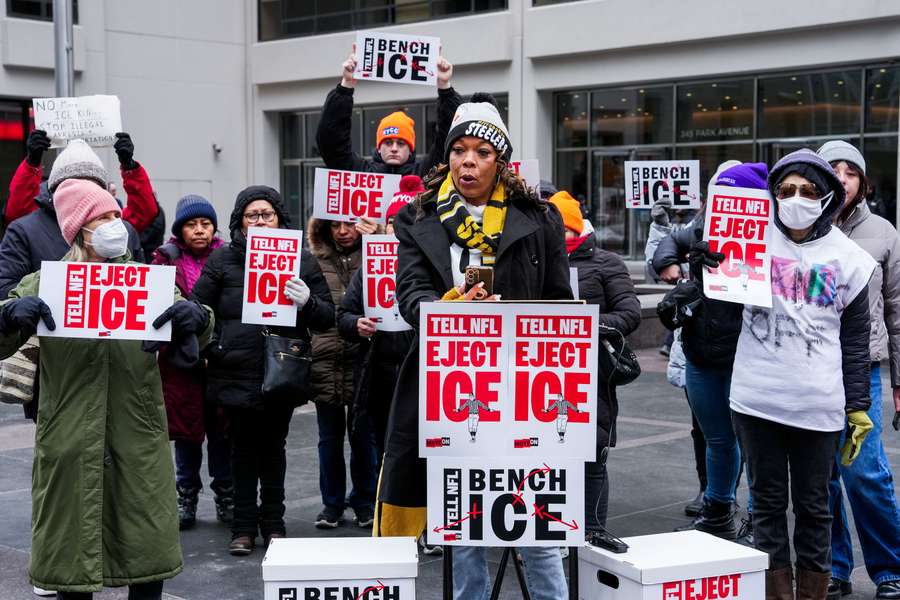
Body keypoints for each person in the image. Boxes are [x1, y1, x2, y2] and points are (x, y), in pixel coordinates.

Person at [381, 93, 573, 600]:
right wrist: (451, 308)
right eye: (459, 150)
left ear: (500, 161)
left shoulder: (541, 218)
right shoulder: (417, 218)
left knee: (535, 519)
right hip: (454, 390)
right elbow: (410, 297)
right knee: (463, 520)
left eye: (482, 152)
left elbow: (559, 301)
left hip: (524, 388)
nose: (468, 161)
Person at [0, 178, 214, 600]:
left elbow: (198, 323)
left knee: (146, 553)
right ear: (79, 228)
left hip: (137, 436)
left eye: (117, 213)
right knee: (71, 559)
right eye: (103, 216)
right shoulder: (46, 283)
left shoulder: (147, 282)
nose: (116, 223)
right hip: (69, 437)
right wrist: (8, 316)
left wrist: (197, 318)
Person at [728, 149, 875, 600]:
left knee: (815, 509)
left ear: (827, 197)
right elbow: (719, 302)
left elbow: (855, 342)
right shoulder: (749, 240)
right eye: (786, 189)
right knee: (767, 506)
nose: (796, 198)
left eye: (808, 190)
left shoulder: (850, 259)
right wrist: (706, 264)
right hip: (756, 401)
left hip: (817, 406)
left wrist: (858, 407)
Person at [192, 186, 334, 555]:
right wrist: (214, 347)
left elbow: (326, 317)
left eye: (266, 214)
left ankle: (274, 523)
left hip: (281, 367)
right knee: (241, 448)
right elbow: (198, 310)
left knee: (273, 448)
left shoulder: (301, 260)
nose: (259, 221)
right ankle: (242, 527)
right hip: (234, 368)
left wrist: (308, 301)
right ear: (239, 221)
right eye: (252, 215)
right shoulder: (223, 260)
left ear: (279, 219)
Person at [653, 162, 768, 543]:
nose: (725, 202)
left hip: (747, 356)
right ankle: (717, 513)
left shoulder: (775, 239)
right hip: (702, 354)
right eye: (720, 193)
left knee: (754, 445)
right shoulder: (702, 228)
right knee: (716, 438)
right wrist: (682, 269)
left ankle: (759, 520)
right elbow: (671, 242)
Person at [817, 140, 900, 600]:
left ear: (863, 181)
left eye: (851, 172)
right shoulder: (800, 227)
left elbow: (897, 311)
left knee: (865, 473)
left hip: (861, 370)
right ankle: (835, 568)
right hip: (811, 367)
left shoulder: (883, 232)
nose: (843, 179)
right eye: (834, 170)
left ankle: (889, 568)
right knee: (821, 476)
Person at [549, 189, 641, 532]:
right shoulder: (536, 261)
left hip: (590, 373)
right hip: (544, 373)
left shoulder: (606, 262)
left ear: (577, 228)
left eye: (563, 229)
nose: (556, 236)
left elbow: (630, 312)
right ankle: (552, 531)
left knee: (591, 454)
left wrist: (584, 324)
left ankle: (592, 531)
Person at [151, 194, 232, 531]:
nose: (199, 230)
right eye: (192, 224)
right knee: (187, 432)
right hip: (180, 363)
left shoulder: (228, 256)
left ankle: (226, 495)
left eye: (205, 223)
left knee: (223, 432)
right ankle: (187, 496)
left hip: (221, 358)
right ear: (180, 230)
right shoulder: (165, 261)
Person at [307, 216, 380, 529]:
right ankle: (332, 504)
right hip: (326, 357)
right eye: (335, 225)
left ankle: (365, 502)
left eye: (350, 224)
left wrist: (376, 238)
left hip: (364, 357)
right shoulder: (313, 261)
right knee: (329, 438)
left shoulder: (376, 256)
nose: (343, 231)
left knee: (364, 437)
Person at [316, 46, 461, 178]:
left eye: (401, 143)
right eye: (388, 142)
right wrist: (346, 85)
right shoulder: (361, 173)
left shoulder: (425, 175)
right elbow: (331, 142)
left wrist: (444, 87)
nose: (394, 149)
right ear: (379, 148)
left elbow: (450, 138)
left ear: (411, 149)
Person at [3, 130, 158, 233]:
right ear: (56, 188)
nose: (81, 190)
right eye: (72, 183)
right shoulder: (38, 223)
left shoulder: (110, 220)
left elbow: (143, 214)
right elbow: (17, 213)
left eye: (89, 183)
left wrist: (130, 166)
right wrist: (31, 163)